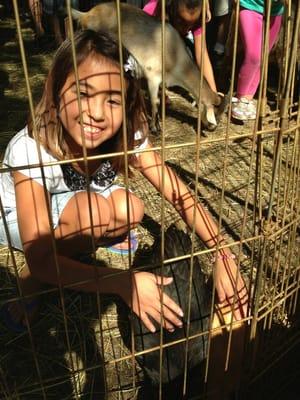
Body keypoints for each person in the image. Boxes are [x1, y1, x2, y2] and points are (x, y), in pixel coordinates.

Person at [0, 30, 247, 334]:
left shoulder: (127, 135)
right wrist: (122, 282)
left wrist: (221, 251)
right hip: (18, 217)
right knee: (91, 215)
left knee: (131, 209)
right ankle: (33, 281)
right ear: (55, 91)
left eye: (113, 100)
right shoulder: (31, 148)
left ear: (128, 103)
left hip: (79, 201)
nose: (97, 114)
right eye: (83, 93)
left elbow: (177, 192)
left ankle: (73, 246)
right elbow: (37, 253)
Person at [143, 0, 218, 93]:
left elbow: (202, 54)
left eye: (192, 24)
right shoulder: (151, 13)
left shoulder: (197, 15)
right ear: (171, 10)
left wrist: (213, 94)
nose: (187, 29)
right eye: (182, 23)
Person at [231, 0, 284, 121]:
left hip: (275, 11)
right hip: (251, 5)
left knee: (263, 56)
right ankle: (240, 98)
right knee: (254, 56)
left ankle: (248, 99)